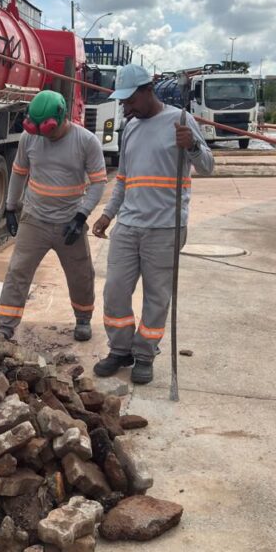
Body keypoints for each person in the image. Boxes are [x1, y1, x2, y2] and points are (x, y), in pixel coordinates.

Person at [91, 63, 214, 384]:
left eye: (129, 100)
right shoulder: (130, 128)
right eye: (122, 101)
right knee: (115, 290)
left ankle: (145, 354)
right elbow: (124, 180)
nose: (125, 107)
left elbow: (208, 167)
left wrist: (193, 145)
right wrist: (107, 214)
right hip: (128, 226)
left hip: (166, 227)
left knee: (156, 296)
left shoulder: (181, 121)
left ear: (147, 91)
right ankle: (120, 350)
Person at [0, 89, 107, 342]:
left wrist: (81, 217)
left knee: (81, 273)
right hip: (34, 219)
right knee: (18, 271)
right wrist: (11, 207)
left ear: (61, 118)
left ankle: (83, 319)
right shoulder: (29, 137)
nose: (44, 137)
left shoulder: (86, 141)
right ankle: (4, 326)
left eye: (49, 130)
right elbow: (19, 172)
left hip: (70, 222)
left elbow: (99, 182)